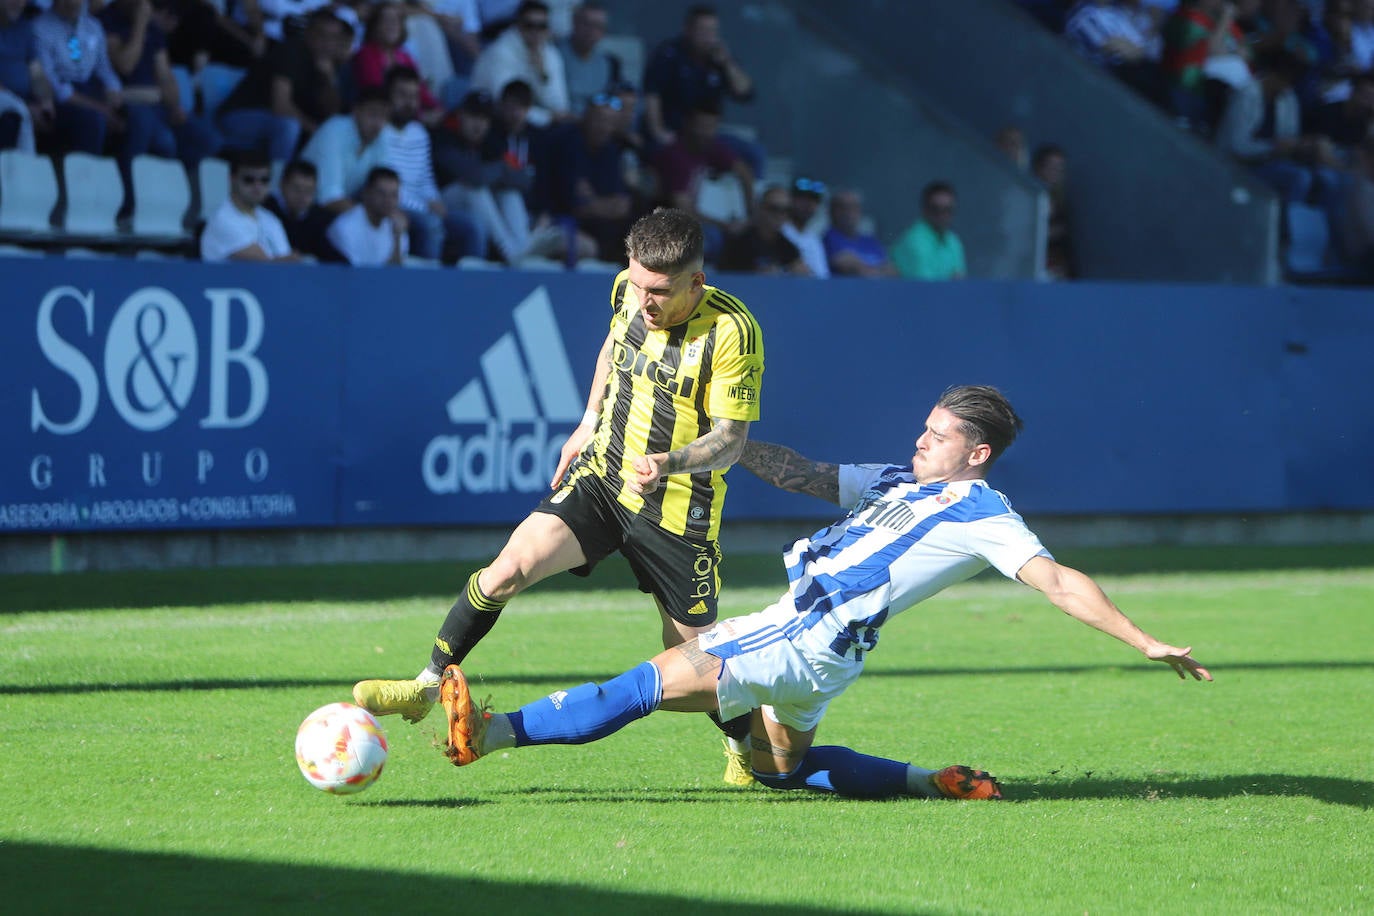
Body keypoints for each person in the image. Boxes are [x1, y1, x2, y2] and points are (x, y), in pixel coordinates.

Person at [429, 385, 1213, 801]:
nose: (920, 439)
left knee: (648, 684)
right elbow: (806, 473)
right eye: (925, 427)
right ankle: (925, 781)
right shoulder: (898, 481)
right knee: (777, 771)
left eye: (938, 434)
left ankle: (489, 735)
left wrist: (1142, 639)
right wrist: (726, 446)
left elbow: (1058, 580)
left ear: (977, 453)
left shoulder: (983, 513)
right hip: (826, 657)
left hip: (804, 632)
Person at [354, 208, 767, 786]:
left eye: (661, 292)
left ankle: (746, 748)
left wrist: (669, 462)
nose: (644, 300)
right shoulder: (628, 290)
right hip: (603, 479)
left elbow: (731, 439)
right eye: (638, 283)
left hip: (676, 512)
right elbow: (612, 349)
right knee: (508, 568)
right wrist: (589, 418)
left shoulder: (732, 331)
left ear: (696, 284)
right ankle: (426, 684)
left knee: (697, 663)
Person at [642, 4, 759, 176]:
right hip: (674, 134)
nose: (708, 37)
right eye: (702, 30)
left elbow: (745, 92)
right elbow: (652, 96)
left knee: (754, 154)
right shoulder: (668, 55)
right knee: (673, 163)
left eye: (712, 31)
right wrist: (659, 132)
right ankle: (669, 203)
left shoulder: (719, 60)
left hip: (708, 137)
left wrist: (727, 63)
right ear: (687, 29)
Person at [384, 64, 481, 262]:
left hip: (422, 206)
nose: (409, 103)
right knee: (430, 225)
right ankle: (429, 285)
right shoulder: (379, 132)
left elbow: (426, 179)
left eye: (413, 96)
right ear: (387, 96)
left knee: (471, 227)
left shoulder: (419, 133)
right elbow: (385, 186)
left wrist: (435, 200)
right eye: (402, 95)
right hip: (394, 206)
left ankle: (474, 287)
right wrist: (426, 208)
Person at [34, 0, 124, 155]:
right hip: (60, 98)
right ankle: (87, 174)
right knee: (92, 119)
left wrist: (113, 90)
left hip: (90, 88)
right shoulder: (39, 29)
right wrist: (98, 107)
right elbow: (53, 84)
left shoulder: (92, 26)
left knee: (130, 116)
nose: (73, 3)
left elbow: (104, 68)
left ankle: (126, 174)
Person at [470, 0, 570, 127]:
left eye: (542, 26)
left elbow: (560, 105)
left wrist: (541, 73)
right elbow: (507, 106)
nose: (536, 31)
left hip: (530, 121)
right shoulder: (501, 51)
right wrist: (547, 118)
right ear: (518, 24)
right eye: (529, 25)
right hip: (492, 120)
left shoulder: (550, 54)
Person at [300, 87, 395, 214]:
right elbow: (329, 199)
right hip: (308, 210)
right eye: (373, 114)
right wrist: (371, 216)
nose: (378, 124)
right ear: (355, 111)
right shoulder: (333, 131)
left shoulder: (382, 136)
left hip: (345, 208)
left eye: (384, 116)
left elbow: (384, 186)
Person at [200, 150, 297, 262]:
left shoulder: (271, 220)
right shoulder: (222, 220)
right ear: (232, 179)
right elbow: (263, 264)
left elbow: (287, 265)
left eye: (264, 180)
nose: (257, 186)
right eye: (249, 180)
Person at [325, 164, 409, 265]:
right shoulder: (345, 228)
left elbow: (397, 274)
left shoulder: (397, 227)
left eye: (394, 195)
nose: (388, 201)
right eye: (381, 193)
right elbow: (354, 276)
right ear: (366, 193)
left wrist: (397, 238)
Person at [717, 183, 808, 274]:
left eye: (786, 210)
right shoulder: (738, 243)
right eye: (774, 209)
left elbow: (802, 275)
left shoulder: (788, 247)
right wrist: (757, 275)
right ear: (760, 208)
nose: (780, 215)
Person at [891, 180, 967, 280]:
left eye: (947, 209)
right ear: (924, 209)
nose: (942, 215)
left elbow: (960, 282)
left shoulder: (953, 241)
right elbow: (926, 289)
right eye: (936, 209)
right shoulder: (915, 241)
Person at [556, 0, 620, 114]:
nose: (592, 31)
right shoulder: (554, 55)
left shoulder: (608, 63)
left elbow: (611, 102)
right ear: (574, 23)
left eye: (598, 26)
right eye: (587, 24)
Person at [263, 157, 334, 260]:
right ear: (282, 184)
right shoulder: (266, 209)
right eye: (296, 188)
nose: (302, 196)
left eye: (309, 191)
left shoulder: (320, 218)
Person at [822, 188, 896, 278]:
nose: (848, 213)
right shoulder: (828, 238)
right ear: (832, 211)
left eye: (854, 207)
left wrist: (866, 269)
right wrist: (876, 271)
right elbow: (844, 265)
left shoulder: (870, 241)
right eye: (843, 207)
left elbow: (892, 271)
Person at [1031, 143, 1077, 279]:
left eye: (1059, 168)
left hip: (1058, 273)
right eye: (1051, 167)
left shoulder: (1064, 204)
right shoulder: (1026, 200)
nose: (1055, 173)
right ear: (1038, 168)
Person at [781, 176, 829, 278]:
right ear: (790, 199)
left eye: (814, 200)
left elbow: (823, 278)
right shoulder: (778, 231)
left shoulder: (814, 239)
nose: (808, 205)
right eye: (803, 199)